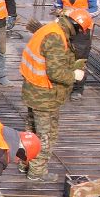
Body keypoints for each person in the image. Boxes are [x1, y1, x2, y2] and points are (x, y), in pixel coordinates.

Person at [19, 10, 85, 181]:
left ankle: (25, 164)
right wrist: (74, 76)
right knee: (45, 135)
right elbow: (55, 72)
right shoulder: (56, 38)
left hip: (33, 91)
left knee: (31, 132)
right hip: (45, 96)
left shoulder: (49, 28)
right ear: (75, 26)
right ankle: (37, 172)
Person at [55, 0, 99, 98]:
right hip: (65, 28)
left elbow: (96, 9)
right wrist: (60, 12)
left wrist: (77, 13)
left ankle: (77, 89)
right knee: (62, 57)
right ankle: (63, 85)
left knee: (79, 60)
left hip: (82, 30)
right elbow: (57, 5)